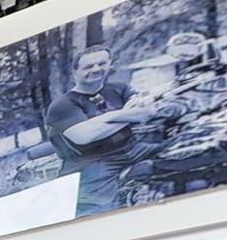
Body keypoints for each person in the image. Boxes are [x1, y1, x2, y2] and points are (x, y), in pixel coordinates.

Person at [44, 45, 183, 215]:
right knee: (99, 214)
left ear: (109, 64)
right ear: (75, 72)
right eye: (88, 66)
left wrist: (106, 119)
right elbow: (85, 136)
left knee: (186, 152)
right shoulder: (62, 105)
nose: (96, 69)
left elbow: (145, 112)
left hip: (133, 148)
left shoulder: (120, 89)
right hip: (92, 163)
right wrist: (126, 114)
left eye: (102, 64)